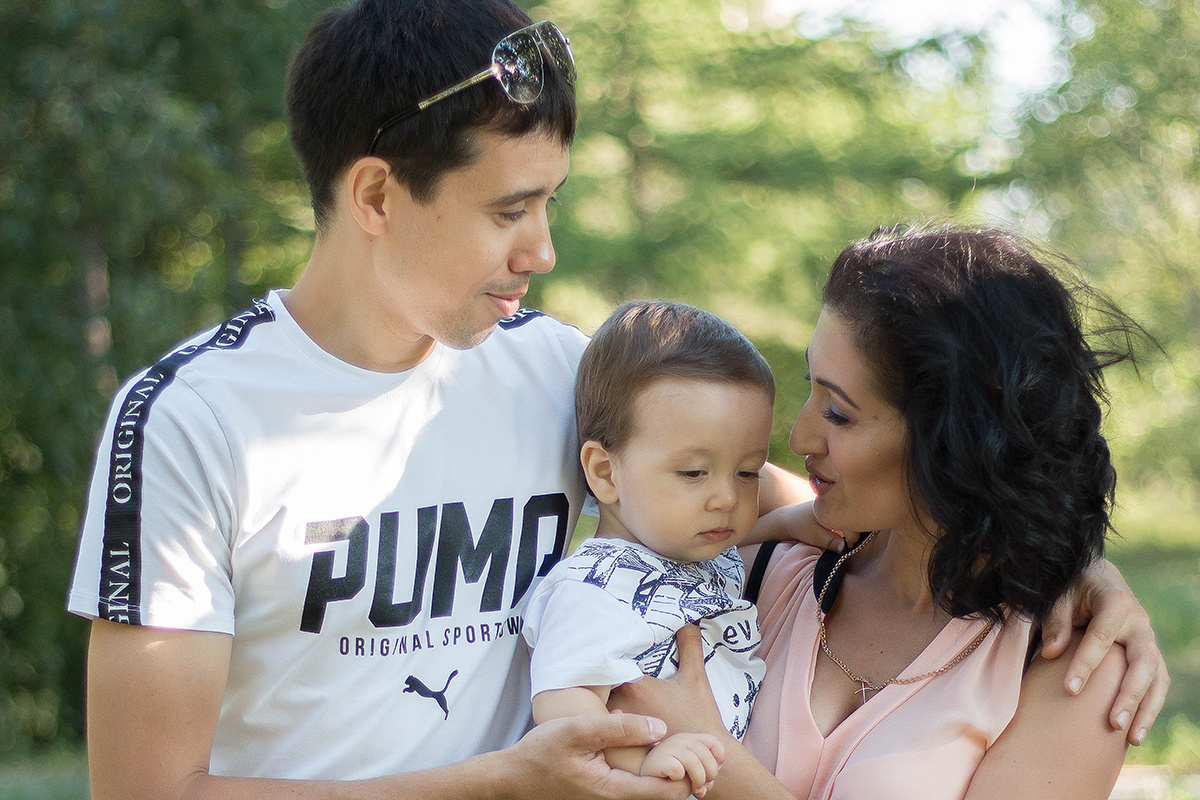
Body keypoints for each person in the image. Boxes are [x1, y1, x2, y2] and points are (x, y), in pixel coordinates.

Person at [65, 0, 1163, 793]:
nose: (541, 248)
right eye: (511, 209)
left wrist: (1074, 563)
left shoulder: (562, 374)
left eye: (552, 203)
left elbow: (821, 488)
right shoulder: (194, 419)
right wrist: (497, 781)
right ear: (375, 194)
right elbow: (147, 788)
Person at [613, 224, 1164, 800]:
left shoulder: (1071, 667)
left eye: (840, 414)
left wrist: (713, 756)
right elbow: (633, 453)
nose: (801, 434)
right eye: (811, 388)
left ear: (955, 441)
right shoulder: (769, 562)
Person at [524, 301, 829, 796]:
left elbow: (742, 535)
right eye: (693, 473)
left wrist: (793, 520)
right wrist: (643, 761)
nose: (727, 498)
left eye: (748, 472)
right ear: (605, 473)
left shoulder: (689, 547)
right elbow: (564, 710)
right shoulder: (596, 589)